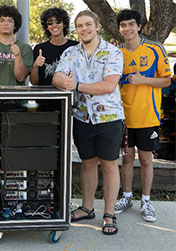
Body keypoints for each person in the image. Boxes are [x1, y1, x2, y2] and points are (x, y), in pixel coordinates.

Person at [52, 10, 124, 235]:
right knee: (88, 163)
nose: (84, 29)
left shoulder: (112, 52)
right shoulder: (70, 53)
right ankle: (87, 207)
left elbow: (108, 86)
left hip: (109, 118)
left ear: (97, 26)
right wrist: (64, 81)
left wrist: (76, 85)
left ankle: (109, 213)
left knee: (110, 164)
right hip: (81, 117)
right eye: (80, 26)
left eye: (88, 25)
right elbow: (56, 77)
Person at [114, 9, 171, 222]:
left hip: (148, 115)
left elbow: (166, 80)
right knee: (126, 158)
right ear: (119, 29)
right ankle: (127, 196)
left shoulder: (155, 49)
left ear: (139, 26)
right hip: (124, 117)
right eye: (123, 25)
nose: (127, 29)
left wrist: (143, 80)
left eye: (131, 24)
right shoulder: (116, 52)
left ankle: (146, 201)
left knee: (146, 159)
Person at [0, 5, 33, 86]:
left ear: (15, 26)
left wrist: (18, 56)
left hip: (17, 97)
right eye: (2, 20)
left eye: (10, 21)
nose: (6, 24)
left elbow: (21, 78)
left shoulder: (25, 48)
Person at [30, 8, 78, 86]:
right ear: (46, 26)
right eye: (50, 23)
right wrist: (35, 66)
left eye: (58, 21)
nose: (54, 25)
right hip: (45, 97)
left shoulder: (76, 47)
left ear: (64, 24)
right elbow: (34, 83)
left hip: (68, 96)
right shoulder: (39, 49)